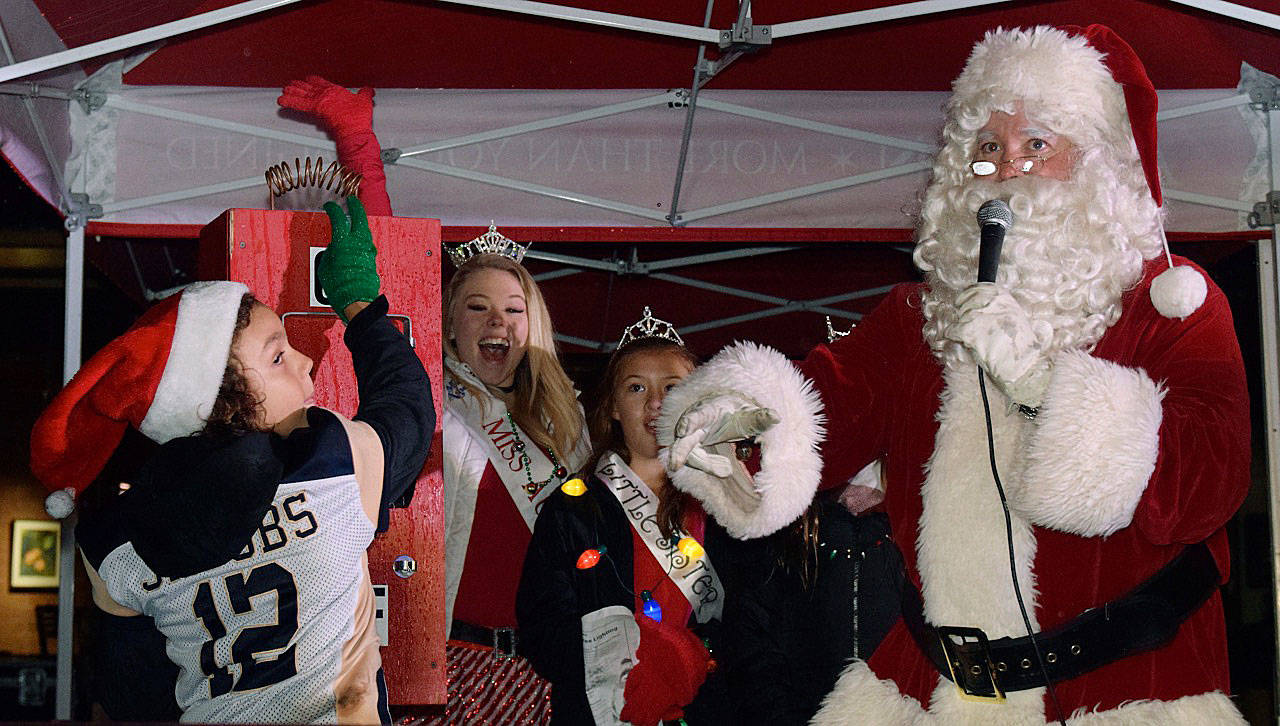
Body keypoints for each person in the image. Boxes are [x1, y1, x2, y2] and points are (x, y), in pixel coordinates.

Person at [659, 25, 1250, 724]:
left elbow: (1209, 481)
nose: (1006, 168)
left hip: (1125, 688)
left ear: (1098, 163)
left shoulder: (1172, 305)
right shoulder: (918, 319)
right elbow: (821, 408)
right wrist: (736, 421)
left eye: (1037, 145)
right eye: (988, 148)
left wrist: (1041, 382)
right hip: (933, 694)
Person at [30, 198, 434, 723]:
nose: (305, 359)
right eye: (278, 355)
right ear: (221, 400)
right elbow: (407, 407)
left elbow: (135, 693)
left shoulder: (115, 544)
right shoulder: (331, 461)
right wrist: (360, 307)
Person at [517, 308, 733, 726]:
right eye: (636, 388)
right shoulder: (574, 508)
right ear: (613, 407)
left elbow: (750, 626)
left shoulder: (726, 510)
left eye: (673, 387)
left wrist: (687, 663)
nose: (656, 403)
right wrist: (632, 662)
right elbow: (543, 626)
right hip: (602, 712)